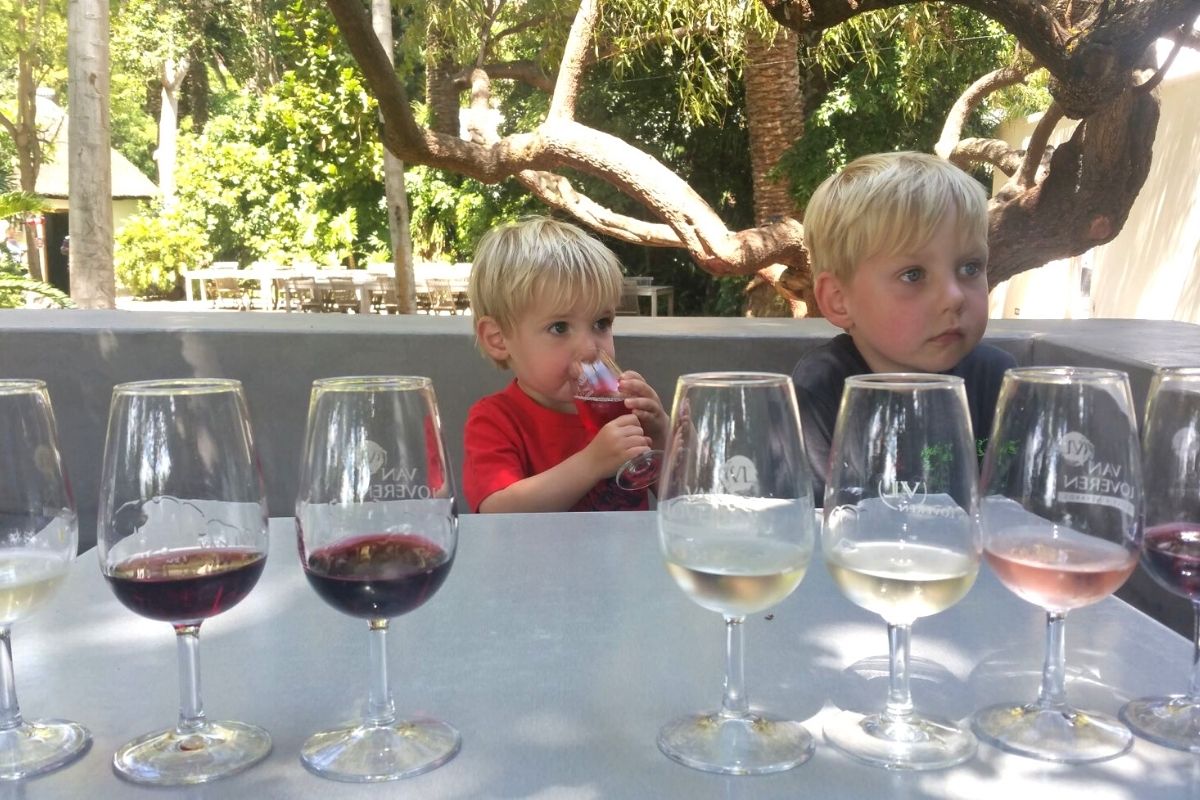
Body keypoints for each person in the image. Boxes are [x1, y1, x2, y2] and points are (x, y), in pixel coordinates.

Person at [792, 151, 1016, 500]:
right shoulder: (822, 390)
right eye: (913, 275)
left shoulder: (1001, 382)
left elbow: (1031, 513)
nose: (953, 297)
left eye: (970, 268)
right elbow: (819, 524)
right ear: (838, 299)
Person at [464, 216, 670, 513]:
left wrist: (660, 430)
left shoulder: (620, 408)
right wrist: (591, 464)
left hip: (628, 560)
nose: (589, 348)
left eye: (601, 323)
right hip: (543, 561)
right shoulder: (495, 419)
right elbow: (497, 512)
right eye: (559, 328)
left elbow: (682, 498)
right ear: (498, 339)